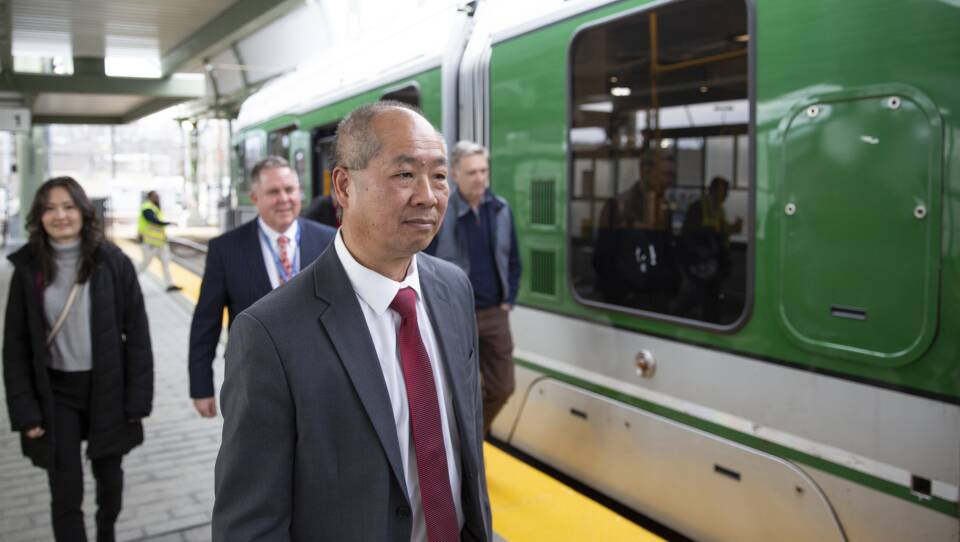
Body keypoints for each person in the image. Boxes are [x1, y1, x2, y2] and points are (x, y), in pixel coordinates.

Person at [212, 102, 491, 541]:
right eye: (404, 175)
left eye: (438, 175)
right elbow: (250, 526)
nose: (428, 196)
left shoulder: (453, 290)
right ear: (343, 186)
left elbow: (466, 453)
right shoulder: (269, 334)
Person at [3, 177, 153, 542]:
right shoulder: (27, 269)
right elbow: (15, 346)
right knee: (65, 491)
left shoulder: (113, 262)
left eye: (68, 206)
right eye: (50, 208)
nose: (60, 215)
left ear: (84, 212)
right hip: (56, 395)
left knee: (110, 482)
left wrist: (137, 400)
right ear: (39, 216)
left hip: (108, 387)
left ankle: (106, 533)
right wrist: (26, 412)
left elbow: (137, 335)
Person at [188, 156, 335, 418]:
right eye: (273, 192)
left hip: (321, 380)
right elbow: (205, 322)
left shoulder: (330, 241)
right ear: (255, 198)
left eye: (289, 190)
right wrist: (201, 387)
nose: (284, 199)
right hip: (254, 383)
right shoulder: (226, 249)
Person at [427, 141, 520, 435]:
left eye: (483, 170)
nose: (480, 178)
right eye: (471, 172)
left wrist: (509, 297)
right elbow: (424, 263)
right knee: (458, 392)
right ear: (455, 174)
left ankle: (471, 439)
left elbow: (514, 258)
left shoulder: (501, 209)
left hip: (495, 313)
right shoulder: (440, 212)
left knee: (503, 387)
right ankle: (465, 449)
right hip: (456, 316)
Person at [136, 190, 182, 292]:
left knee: (166, 262)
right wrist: (168, 223)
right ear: (150, 197)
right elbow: (153, 220)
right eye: (155, 196)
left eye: (158, 196)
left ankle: (169, 284)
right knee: (144, 264)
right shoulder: (147, 207)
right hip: (150, 243)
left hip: (160, 242)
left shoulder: (155, 207)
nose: (157, 198)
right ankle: (128, 280)